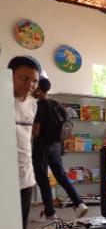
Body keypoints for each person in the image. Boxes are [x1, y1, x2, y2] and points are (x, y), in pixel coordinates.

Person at [32, 77, 88, 220]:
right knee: (62, 177)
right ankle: (79, 204)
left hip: (41, 146)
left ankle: (50, 213)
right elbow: (65, 126)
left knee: (43, 179)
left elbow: (36, 131)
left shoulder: (39, 106)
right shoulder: (57, 104)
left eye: (34, 86)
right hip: (56, 146)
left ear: (39, 90)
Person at [9, 56, 40, 229]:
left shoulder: (32, 103)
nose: (30, 84)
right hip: (5, 178)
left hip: (25, 177)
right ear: (9, 75)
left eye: (34, 81)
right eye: (24, 78)